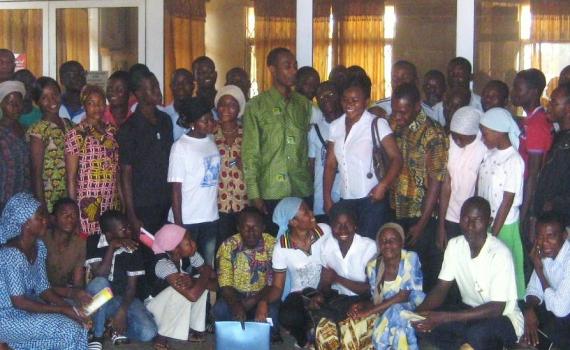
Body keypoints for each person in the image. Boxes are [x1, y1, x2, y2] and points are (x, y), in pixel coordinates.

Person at [413, 197, 523, 350]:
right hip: (469, 313)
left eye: (477, 220)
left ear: (489, 222)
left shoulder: (499, 254)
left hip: (503, 318)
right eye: (465, 219)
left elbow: (497, 307)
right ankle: (467, 345)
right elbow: (441, 289)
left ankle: (477, 344)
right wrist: (417, 314)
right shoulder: (455, 245)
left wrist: (445, 318)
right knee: (423, 326)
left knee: (476, 333)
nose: (470, 226)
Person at [0, 193, 88, 349]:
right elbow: (19, 302)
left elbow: (43, 288)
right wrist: (62, 309)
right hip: (7, 318)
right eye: (40, 218)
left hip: (25, 312)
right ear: (25, 222)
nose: (45, 221)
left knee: (79, 326)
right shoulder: (10, 254)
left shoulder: (39, 247)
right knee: (68, 330)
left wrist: (73, 310)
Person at [242, 47, 313, 234]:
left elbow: (305, 148)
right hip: (270, 191)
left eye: (295, 66)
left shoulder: (304, 105)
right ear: (272, 69)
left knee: (302, 245)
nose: (293, 71)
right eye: (287, 66)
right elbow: (250, 153)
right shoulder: (256, 106)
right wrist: (254, 194)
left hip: (300, 189)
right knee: (273, 247)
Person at [324, 75, 402, 239]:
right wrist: (327, 198)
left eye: (355, 99)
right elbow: (330, 165)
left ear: (366, 101)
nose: (349, 104)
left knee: (369, 247)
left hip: (372, 200)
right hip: (345, 200)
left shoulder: (377, 124)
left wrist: (383, 185)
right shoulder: (335, 126)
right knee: (349, 246)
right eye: (345, 99)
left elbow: (396, 158)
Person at [389, 83, 448, 293]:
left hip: (421, 215)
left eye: (403, 112)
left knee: (423, 275)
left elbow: (436, 180)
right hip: (396, 209)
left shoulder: (433, 134)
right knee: (402, 274)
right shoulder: (394, 124)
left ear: (416, 106)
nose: (398, 116)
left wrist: (422, 223)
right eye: (394, 110)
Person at [256, 197, 331, 348]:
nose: (311, 213)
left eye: (309, 209)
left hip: (325, 287)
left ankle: (314, 329)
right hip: (300, 294)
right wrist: (263, 301)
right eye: (305, 212)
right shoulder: (281, 247)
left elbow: (331, 266)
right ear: (292, 222)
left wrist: (321, 292)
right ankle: (304, 339)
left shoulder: (324, 230)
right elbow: (278, 287)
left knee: (329, 310)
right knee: (287, 315)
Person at [345, 223, 425, 349]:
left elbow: (403, 296)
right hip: (385, 311)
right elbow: (376, 301)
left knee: (397, 313)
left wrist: (368, 311)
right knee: (351, 324)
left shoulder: (410, 258)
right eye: (383, 241)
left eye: (392, 240)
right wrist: (362, 306)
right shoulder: (373, 266)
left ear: (402, 243)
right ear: (378, 246)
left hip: (414, 309)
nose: (387, 244)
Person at [85, 210, 157, 346]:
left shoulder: (132, 247)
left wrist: (122, 312)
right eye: (123, 230)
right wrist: (111, 247)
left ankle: (112, 327)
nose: (129, 232)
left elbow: (131, 287)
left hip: (123, 298)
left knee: (148, 332)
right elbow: (100, 274)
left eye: (128, 227)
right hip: (98, 300)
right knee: (101, 283)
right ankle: (98, 336)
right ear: (109, 234)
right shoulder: (94, 241)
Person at [312, 203, 377, 349]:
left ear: (355, 225)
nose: (342, 229)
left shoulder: (369, 247)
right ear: (331, 226)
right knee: (325, 331)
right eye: (337, 225)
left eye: (347, 224)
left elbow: (370, 290)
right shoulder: (327, 246)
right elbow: (325, 284)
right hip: (338, 300)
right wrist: (320, 294)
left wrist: (337, 278)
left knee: (350, 339)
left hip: (364, 302)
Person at [478, 107, 526, 299]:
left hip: (503, 224)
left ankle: (512, 305)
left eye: (486, 133)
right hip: (487, 221)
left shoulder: (513, 160)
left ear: (499, 132)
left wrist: (494, 233)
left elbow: (507, 200)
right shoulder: (490, 154)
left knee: (506, 266)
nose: (483, 138)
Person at [117, 70, 173, 235]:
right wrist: (131, 213)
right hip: (143, 204)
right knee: (149, 254)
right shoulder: (129, 129)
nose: (158, 91)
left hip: (166, 200)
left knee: (166, 252)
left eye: (157, 86)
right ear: (139, 93)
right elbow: (125, 173)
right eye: (153, 88)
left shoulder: (165, 120)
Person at [213, 207, 281, 341]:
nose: (251, 232)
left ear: (263, 227)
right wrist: (235, 304)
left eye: (255, 227)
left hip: (263, 294)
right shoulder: (228, 245)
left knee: (272, 311)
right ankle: (234, 334)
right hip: (236, 294)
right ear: (238, 227)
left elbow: (273, 283)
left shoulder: (272, 245)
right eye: (246, 227)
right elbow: (225, 283)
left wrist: (256, 300)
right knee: (220, 309)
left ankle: (270, 333)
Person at [147, 224, 217, 349]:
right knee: (182, 291)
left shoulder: (191, 255)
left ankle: (196, 329)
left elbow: (215, 284)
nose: (193, 243)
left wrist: (196, 281)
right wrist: (206, 272)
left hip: (171, 307)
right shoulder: (162, 264)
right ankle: (162, 335)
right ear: (175, 249)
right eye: (188, 242)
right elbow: (193, 296)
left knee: (198, 283)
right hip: (154, 309)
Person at [168, 97, 219, 266]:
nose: (210, 123)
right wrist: (179, 228)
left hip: (210, 217)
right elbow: (176, 189)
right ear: (192, 123)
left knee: (206, 266)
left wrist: (236, 163)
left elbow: (218, 167)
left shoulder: (210, 141)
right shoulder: (180, 147)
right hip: (188, 219)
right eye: (205, 121)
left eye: (211, 118)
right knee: (188, 268)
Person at [65, 85, 121, 236]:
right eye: (91, 103)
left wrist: (122, 203)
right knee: (91, 250)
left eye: (101, 102)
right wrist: (73, 213)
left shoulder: (112, 131)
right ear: (84, 105)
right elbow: (70, 177)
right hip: (87, 204)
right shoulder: (76, 134)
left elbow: (117, 171)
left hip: (111, 200)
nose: (97, 107)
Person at [511, 69, 553, 244]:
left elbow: (534, 174)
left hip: (529, 198)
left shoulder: (537, 124)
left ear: (534, 92)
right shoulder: (530, 120)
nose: (513, 93)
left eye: (518, 89)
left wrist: (525, 211)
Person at [437, 107, 486, 249]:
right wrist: (441, 225)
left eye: (461, 137)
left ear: (473, 133)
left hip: (474, 219)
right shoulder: (450, 143)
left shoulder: (483, 147)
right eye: (454, 135)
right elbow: (446, 184)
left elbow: (479, 188)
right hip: (450, 216)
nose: (457, 140)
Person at [523, 212, 570, 349]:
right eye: (539, 236)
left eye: (551, 236)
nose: (544, 243)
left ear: (564, 236)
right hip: (556, 312)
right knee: (524, 322)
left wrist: (539, 270)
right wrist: (530, 309)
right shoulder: (544, 253)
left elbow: (561, 310)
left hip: (564, 315)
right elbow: (533, 290)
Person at [27, 77, 73, 213]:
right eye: (44, 98)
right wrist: (43, 209)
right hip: (49, 200)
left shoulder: (70, 125)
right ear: (37, 103)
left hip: (70, 195)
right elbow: (36, 173)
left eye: (55, 95)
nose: (52, 101)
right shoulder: (38, 131)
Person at [214, 85, 248, 246]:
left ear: (239, 108)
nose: (226, 109)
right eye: (222, 104)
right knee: (221, 250)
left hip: (243, 203)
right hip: (217, 204)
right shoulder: (209, 133)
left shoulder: (248, 134)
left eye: (232, 104)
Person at [533, 83, 570, 227]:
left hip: (562, 223)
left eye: (554, 102)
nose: (548, 105)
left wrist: (553, 203)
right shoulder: (560, 136)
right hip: (549, 219)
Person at [42, 198, 90, 304]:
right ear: (53, 219)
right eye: (65, 214)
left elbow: (78, 282)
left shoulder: (80, 243)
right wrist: (70, 293)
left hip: (62, 293)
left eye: (74, 215)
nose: (70, 218)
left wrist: (79, 294)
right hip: (38, 294)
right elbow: (36, 283)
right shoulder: (42, 239)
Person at [309, 81, 342, 221]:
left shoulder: (349, 124)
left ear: (339, 97)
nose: (326, 99)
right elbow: (311, 164)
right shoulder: (314, 130)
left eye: (330, 94)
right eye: (321, 97)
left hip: (346, 195)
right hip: (321, 198)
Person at [0, 80, 30, 210]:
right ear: (1, 104)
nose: (15, 107)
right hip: (4, 199)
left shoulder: (26, 130)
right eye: (10, 103)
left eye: (18, 103)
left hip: (25, 199)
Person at [164, 68, 194, 141]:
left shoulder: (202, 115)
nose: (181, 86)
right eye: (176, 83)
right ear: (171, 87)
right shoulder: (164, 116)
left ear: (193, 86)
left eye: (185, 83)